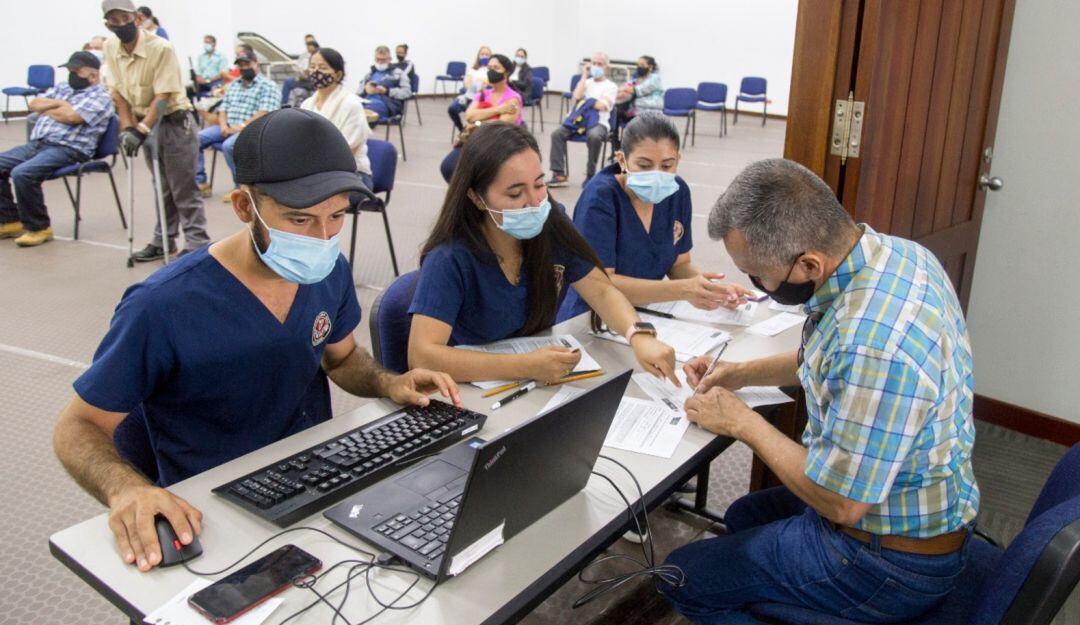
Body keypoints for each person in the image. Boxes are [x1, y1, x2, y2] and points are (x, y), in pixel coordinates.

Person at [53, 108, 461, 574]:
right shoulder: (162, 306)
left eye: (336, 217)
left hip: (316, 477)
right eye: (300, 220)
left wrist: (390, 383)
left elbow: (342, 360)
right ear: (245, 207)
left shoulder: (328, 270)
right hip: (215, 508)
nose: (324, 238)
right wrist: (126, 489)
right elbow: (77, 427)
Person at [662, 158, 979, 623]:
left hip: (889, 560)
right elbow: (828, 359)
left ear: (809, 264)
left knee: (680, 576)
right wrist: (739, 372)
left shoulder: (872, 345)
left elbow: (843, 503)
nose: (756, 286)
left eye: (759, 276)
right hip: (915, 504)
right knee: (747, 516)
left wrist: (741, 422)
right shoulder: (897, 256)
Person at [407, 122, 678, 386]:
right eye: (515, 193)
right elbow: (422, 356)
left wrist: (638, 335)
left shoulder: (551, 224)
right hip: (472, 389)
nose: (535, 202)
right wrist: (523, 366)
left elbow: (602, 290)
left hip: (536, 378)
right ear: (477, 198)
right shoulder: (451, 257)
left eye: (539, 185)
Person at [557, 112, 749, 321]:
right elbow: (602, 284)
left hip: (646, 310)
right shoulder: (601, 199)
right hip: (592, 317)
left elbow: (679, 264)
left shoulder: (677, 192)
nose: (657, 174)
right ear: (622, 159)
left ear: (678, 160)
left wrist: (713, 290)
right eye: (644, 165)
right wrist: (683, 290)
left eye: (667, 166)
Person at [102, 0, 209, 261]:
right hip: (142, 121)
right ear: (107, 24)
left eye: (123, 18)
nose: (119, 24)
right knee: (162, 186)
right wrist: (128, 128)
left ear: (137, 19)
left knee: (182, 187)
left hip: (174, 122)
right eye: (113, 20)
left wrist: (141, 130)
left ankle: (198, 244)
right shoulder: (110, 47)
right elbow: (117, 92)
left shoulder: (160, 48)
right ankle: (163, 241)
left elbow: (163, 96)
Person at [0, 52, 114, 247]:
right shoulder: (63, 88)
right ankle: (11, 220)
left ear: (93, 74)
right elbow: (34, 104)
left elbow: (73, 117)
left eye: (77, 70)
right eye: (70, 70)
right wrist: (60, 105)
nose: (72, 74)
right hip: (38, 144)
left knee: (23, 173)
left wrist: (51, 108)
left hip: (70, 149)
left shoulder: (101, 96)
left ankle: (39, 227)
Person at [195, 48, 280, 200]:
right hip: (227, 128)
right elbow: (223, 109)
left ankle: (241, 188)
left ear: (256, 64)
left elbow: (264, 113)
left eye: (247, 63)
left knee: (230, 145)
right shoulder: (234, 85)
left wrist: (238, 128)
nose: (243, 67)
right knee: (196, 138)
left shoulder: (268, 86)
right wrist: (223, 126)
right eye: (240, 64)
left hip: (253, 130)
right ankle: (201, 182)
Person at [301, 47, 373, 191]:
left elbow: (346, 154)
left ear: (338, 74)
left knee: (307, 194)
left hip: (352, 175)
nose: (316, 72)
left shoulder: (351, 105)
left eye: (322, 67)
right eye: (312, 67)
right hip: (313, 173)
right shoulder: (307, 104)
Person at [547, 52, 618, 187]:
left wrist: (586, 101)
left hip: (599, 123)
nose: (596, 66)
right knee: (557, 134)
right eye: (594, 63)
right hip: (578, 122)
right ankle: (559, 174)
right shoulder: (586, 82)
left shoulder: (611, 86)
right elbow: (576, 98)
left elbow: (602, 106)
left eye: (600, 64)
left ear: (606, 67)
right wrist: (584, 75)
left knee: (594, 136)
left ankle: (590, 175)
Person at [464, 53, 523, 127]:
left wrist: (476, 122)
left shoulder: (513, 98)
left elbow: (499, 127)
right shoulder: (482, 94)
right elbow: (469, 116)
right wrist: (499, 109)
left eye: (496, 68)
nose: (491, 71)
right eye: (489, 68)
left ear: (507, 73)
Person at [360, 45, 412, 122]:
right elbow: (358, 93)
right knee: (349, 109)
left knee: (365, 114)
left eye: (383, 60)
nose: (380, 62)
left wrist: (386, 91)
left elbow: (407, 92)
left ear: (389, 59)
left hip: (386, 104)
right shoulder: (370, 74)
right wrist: (365, 89)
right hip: (366, 101)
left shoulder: (399, 74)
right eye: (377, 59)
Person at [448, 46, 491, 132]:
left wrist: (483, 84)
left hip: (483, 98)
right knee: (452, 109)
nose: (484, 56)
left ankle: (474, 130)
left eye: (487, 54)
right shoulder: (473, 69)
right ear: (478, 56)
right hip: (469, 95)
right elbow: (467, 82)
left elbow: (489, 84)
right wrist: (473, 86)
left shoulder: (491, 70)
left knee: (474, 116)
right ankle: (462, 130)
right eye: (482, 54)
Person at [287, 35, 319, 108]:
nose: (308, 46)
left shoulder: (319, 54)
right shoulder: (303, 56)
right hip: (302, 78)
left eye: (310, 43)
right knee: (289, 82)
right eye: (307, 44)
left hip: (311, 79)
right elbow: (299, 67)